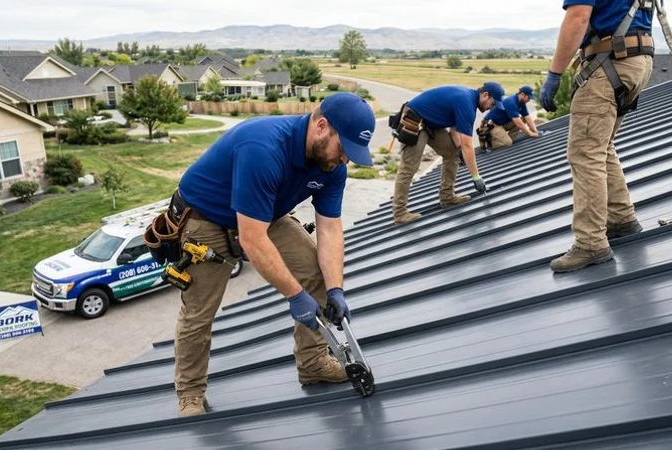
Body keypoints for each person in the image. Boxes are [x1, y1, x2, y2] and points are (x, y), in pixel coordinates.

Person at [168, 92, 376, 416]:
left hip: (266, 214)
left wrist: (335, 289)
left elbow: (331, 230)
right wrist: (295, 296)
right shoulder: (263, 147)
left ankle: (314, 364)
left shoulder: (332, 167)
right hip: (206, 220)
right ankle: (190, 394)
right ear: (322, 127)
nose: (345, 160)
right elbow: (252, 239)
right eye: (344, 149)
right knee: (199, 313)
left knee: (317, 273)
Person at [540, 0, 654, 272]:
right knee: (602, 148)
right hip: (636, 59)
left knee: (585, 154)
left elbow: (578, 18)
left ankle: (590, 243)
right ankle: (621, 219)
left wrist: (555, 73)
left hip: (609, 61)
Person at [391, 81, 505, 224]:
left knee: (452, 153)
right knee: (409, 167)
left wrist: (459, 151)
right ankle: (400, 213)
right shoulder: (466, 103)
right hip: (416, 119)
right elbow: (467, 145)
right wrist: (476, 177)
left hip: (432, 123)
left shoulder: (468, 99)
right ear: (485, 95)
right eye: (492, 104)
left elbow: (454, 130)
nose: (491, 108)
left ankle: (447, 197)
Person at [477, 86, 543, 150]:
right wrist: (530, 134)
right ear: (523, 94)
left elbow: (527, 117)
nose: (529, 100)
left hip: (502, 123)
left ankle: (508, 139)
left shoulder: (521, 103)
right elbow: (517, 122)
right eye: (529, 98)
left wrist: (536, 131)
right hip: (490, 125)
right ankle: (488, 146)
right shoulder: (511, 102)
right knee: (507, 143)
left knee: (523, 120)